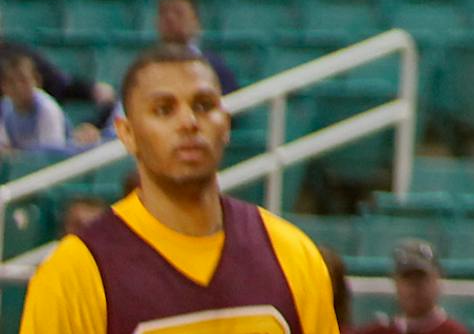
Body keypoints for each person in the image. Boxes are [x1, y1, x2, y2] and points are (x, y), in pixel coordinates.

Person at [21, 44, 338, 334]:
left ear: (225, 124)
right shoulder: (72, 275)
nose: (188, 121)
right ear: (127, 133)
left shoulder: (293, 255)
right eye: (163, 109)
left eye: (203, 105)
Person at [352, 240, 470, 334]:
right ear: (396, 282)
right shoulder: (377, 331)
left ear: (437, 279)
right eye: (407, 278)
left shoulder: (453, 332)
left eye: (421, 278)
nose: (414, 287)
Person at [153, 0, 237, 94]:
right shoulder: (148, 70)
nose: (171, 19)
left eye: (178, 13)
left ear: (196, 21)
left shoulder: (214, 68)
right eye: (164, 14)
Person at [2, 49, 72, 153]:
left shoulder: (47, 108)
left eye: (23, 80)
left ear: (36, 81)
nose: (18, 87)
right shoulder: (5, 107)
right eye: (11, 82)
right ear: (3, 86)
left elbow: (52, 154)